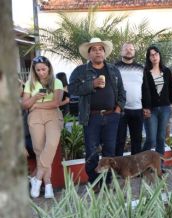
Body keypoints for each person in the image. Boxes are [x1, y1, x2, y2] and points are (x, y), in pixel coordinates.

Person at [68, 38, 126, 185]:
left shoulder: (113, 69)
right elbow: (72, 89)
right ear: (89, 54)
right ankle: (94, 182)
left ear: (104, 53)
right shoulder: (80, 71)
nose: (98, 52)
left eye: (100, 49)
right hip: (91, 117)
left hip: (111, 116)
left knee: (110, 152)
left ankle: (107, 182)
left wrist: (118, 109)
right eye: (94, 49)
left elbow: (121, 92)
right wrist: (91, 84)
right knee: (92, 152)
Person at [22, 56, 64, 198]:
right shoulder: (30, 84)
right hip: (35, 116)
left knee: (51, 144)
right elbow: (25, 105)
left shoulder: (56, 82)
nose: (41, 72)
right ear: (34, 70)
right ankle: (48, 186)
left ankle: (37, 177)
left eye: (43, 69)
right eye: (38, 70)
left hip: (52, 114)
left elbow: (56, 102)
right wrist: (34, 98)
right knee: (39, 150)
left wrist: (36, 104)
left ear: (49, 68)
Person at [142, 45, 172, 157]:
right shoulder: (145, 72)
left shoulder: (166, 71)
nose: (154, 57)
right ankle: (141, 163)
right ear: (148, 57)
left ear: (159, 55)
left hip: (165, 108)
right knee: (151, 139)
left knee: (161, 138)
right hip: (151, 109)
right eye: (151, 55)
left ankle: (159, 166)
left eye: (156, 54)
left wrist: (171, 104)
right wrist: (144, 107)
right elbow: (142, 90)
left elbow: (171, 88)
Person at [115, 42, 145, 156]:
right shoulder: (114, 67)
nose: (129, 50)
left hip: (138, 109)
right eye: (126, 49)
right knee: (119, 140)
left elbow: (145, 88)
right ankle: (117, 170)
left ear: (134, 52)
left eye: (131, 49)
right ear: (121, 52)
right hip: (120, 109)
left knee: (136, 140)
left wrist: (146, 106)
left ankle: (136, 169)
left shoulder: (141, 68)